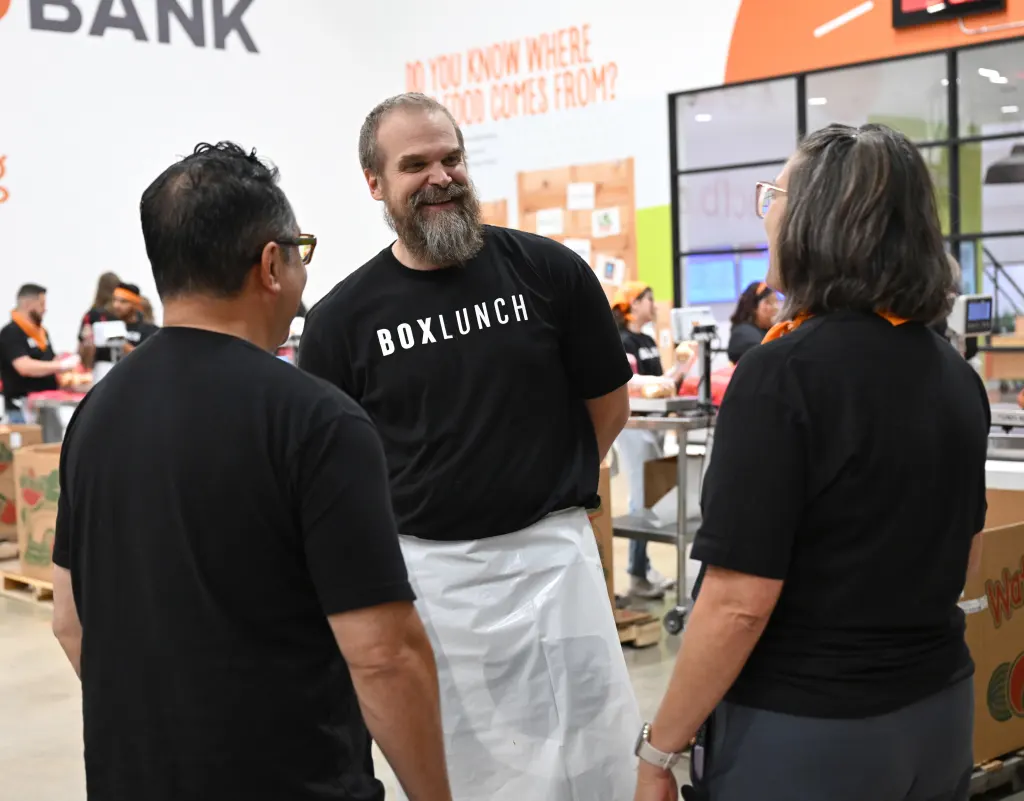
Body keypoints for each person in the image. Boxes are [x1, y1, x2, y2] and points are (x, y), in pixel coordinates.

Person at [50, 141, 452, 801]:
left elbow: (70, 620)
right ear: (272, 263)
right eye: (300, 251)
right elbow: (382, 654)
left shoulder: (95, 414)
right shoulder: (319, 421)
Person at [300, 92, 642, 801]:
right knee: (475, 770)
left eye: (451, 157)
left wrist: (541, 488)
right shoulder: (341, 320)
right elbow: (332, 477)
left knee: (598, 761)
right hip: (433, 588)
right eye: (415, 163)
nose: (440, 176)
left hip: (558, 567)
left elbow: (606, 405)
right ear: (375, 184)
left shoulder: (549, 272)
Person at [633, 124, 988, 801]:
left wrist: (660, 747)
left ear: (819, 220)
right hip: (939, 711)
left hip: (811, 732)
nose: (767, 213)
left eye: (775, 195)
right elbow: (966, 559)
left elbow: (736, 603)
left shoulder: (781, 373)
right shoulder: (951, 371)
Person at [611, 281, 691, 599]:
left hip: (655, 423)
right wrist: (663, 380)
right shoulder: (622, 339)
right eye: (648, 298)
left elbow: (660, 383)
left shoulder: (646, 340)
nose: (654, 304)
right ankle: (638, 573)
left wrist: (683, 367)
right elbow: (632, 383)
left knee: (656, 494)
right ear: (632, 304)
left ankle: (642, 567)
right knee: (643, 496)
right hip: (634, 425)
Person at [0, 284, 76, 422]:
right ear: (28, 304)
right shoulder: (11, 332)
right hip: (21, 409)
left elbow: (50, 361)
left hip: (48, 405)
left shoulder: (42, 333)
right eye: (41, 304)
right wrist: (60, 365)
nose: (44, 309)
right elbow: (24, 367)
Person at [726, 281, 778, 364]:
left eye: (776, 302)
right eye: (768, 302)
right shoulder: (743, 333)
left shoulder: (768, 329)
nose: (775, 307)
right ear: (754, 306)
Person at [78, 271, 121, 368]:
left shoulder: (91, 314)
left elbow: (81, 344)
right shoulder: (122, 313)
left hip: (98, 366)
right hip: (121, 364)